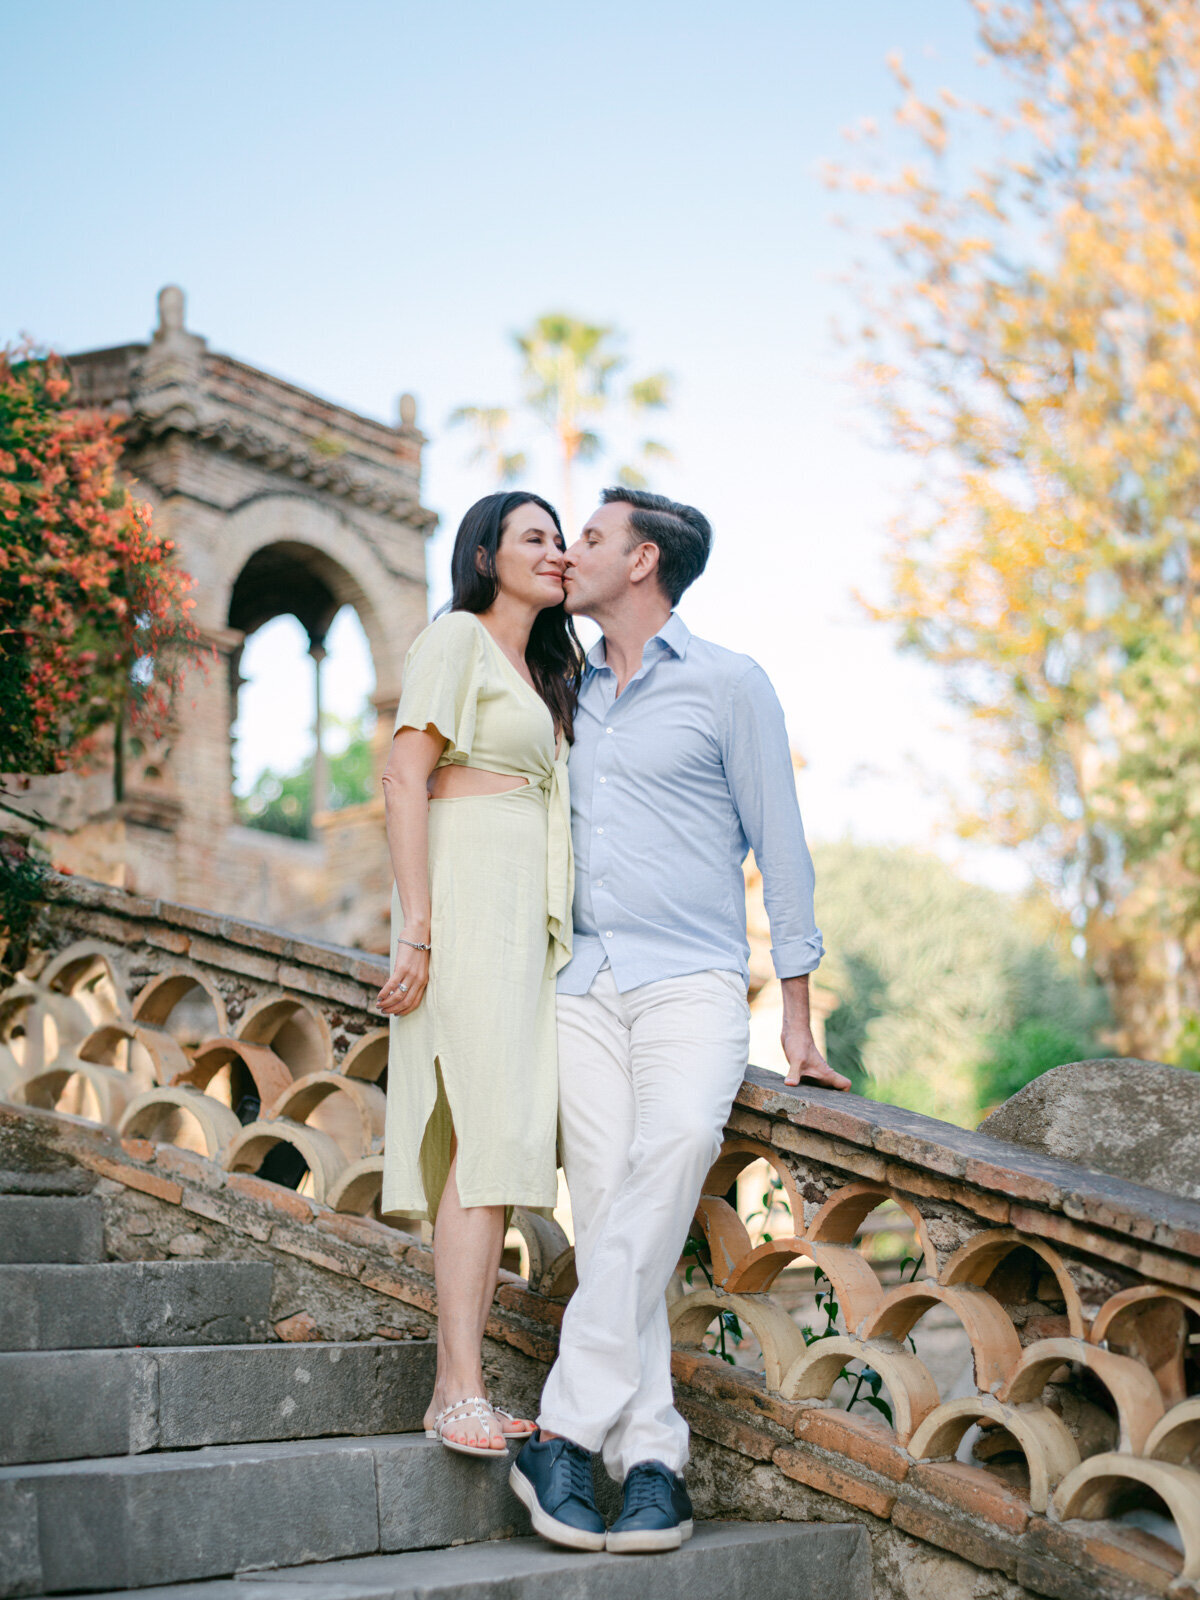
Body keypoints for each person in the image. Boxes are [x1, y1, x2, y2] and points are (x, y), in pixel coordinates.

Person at [510, 487, 850, 1553]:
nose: (575, 551)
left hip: (692, 980)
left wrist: (796, 1019)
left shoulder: (729, 683)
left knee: (677, 1156)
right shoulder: (558, 686)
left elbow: (780, 847)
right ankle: (652, 1455)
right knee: (616, 1201)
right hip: (580, 982)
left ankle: (563, 1428)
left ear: (643, 560)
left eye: (595, 538)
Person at [376, 490, 581, 1458]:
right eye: (534, 537)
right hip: (461, 905)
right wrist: (418, 926)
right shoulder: (456, 636)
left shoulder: (540, 669)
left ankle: (463, 1382)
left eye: (560, 538)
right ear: (486, 550)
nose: (555, 551)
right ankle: (453, 1386)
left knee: (494, 1144)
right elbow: (403, 773)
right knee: (480, 1135)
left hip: (517, 919)